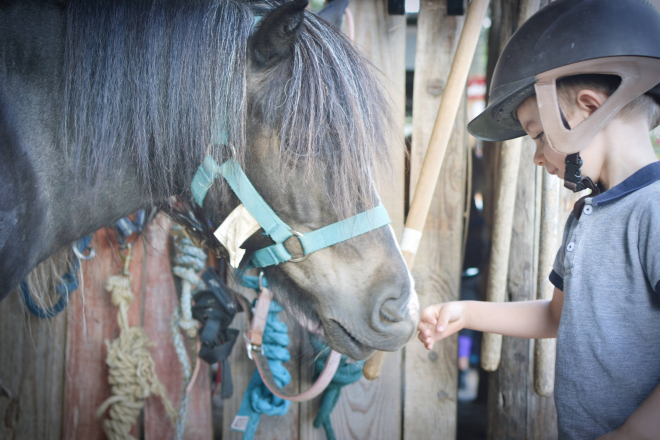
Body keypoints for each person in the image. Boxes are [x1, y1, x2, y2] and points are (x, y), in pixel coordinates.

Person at [417, 1, 660, 439]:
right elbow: (557, 315)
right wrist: (467, 312)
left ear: (589, 107)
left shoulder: (654, 212)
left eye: (538, 135)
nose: (537, 156)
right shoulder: (589, 213)